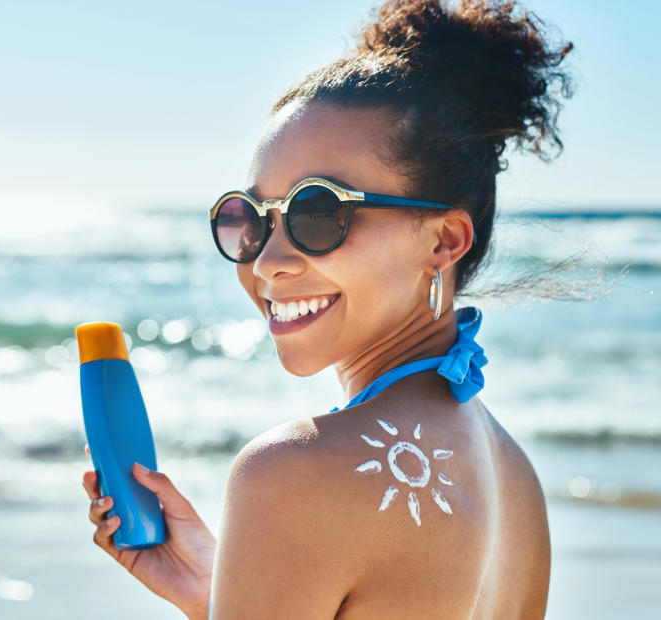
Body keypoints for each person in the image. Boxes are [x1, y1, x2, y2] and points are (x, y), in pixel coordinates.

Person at [82, 0, 574, 617]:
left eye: (319, 213)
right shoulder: (516, 480)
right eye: (251, 218)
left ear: (443, 241)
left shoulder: (292, 475)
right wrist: (217, 591)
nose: (266, 262)